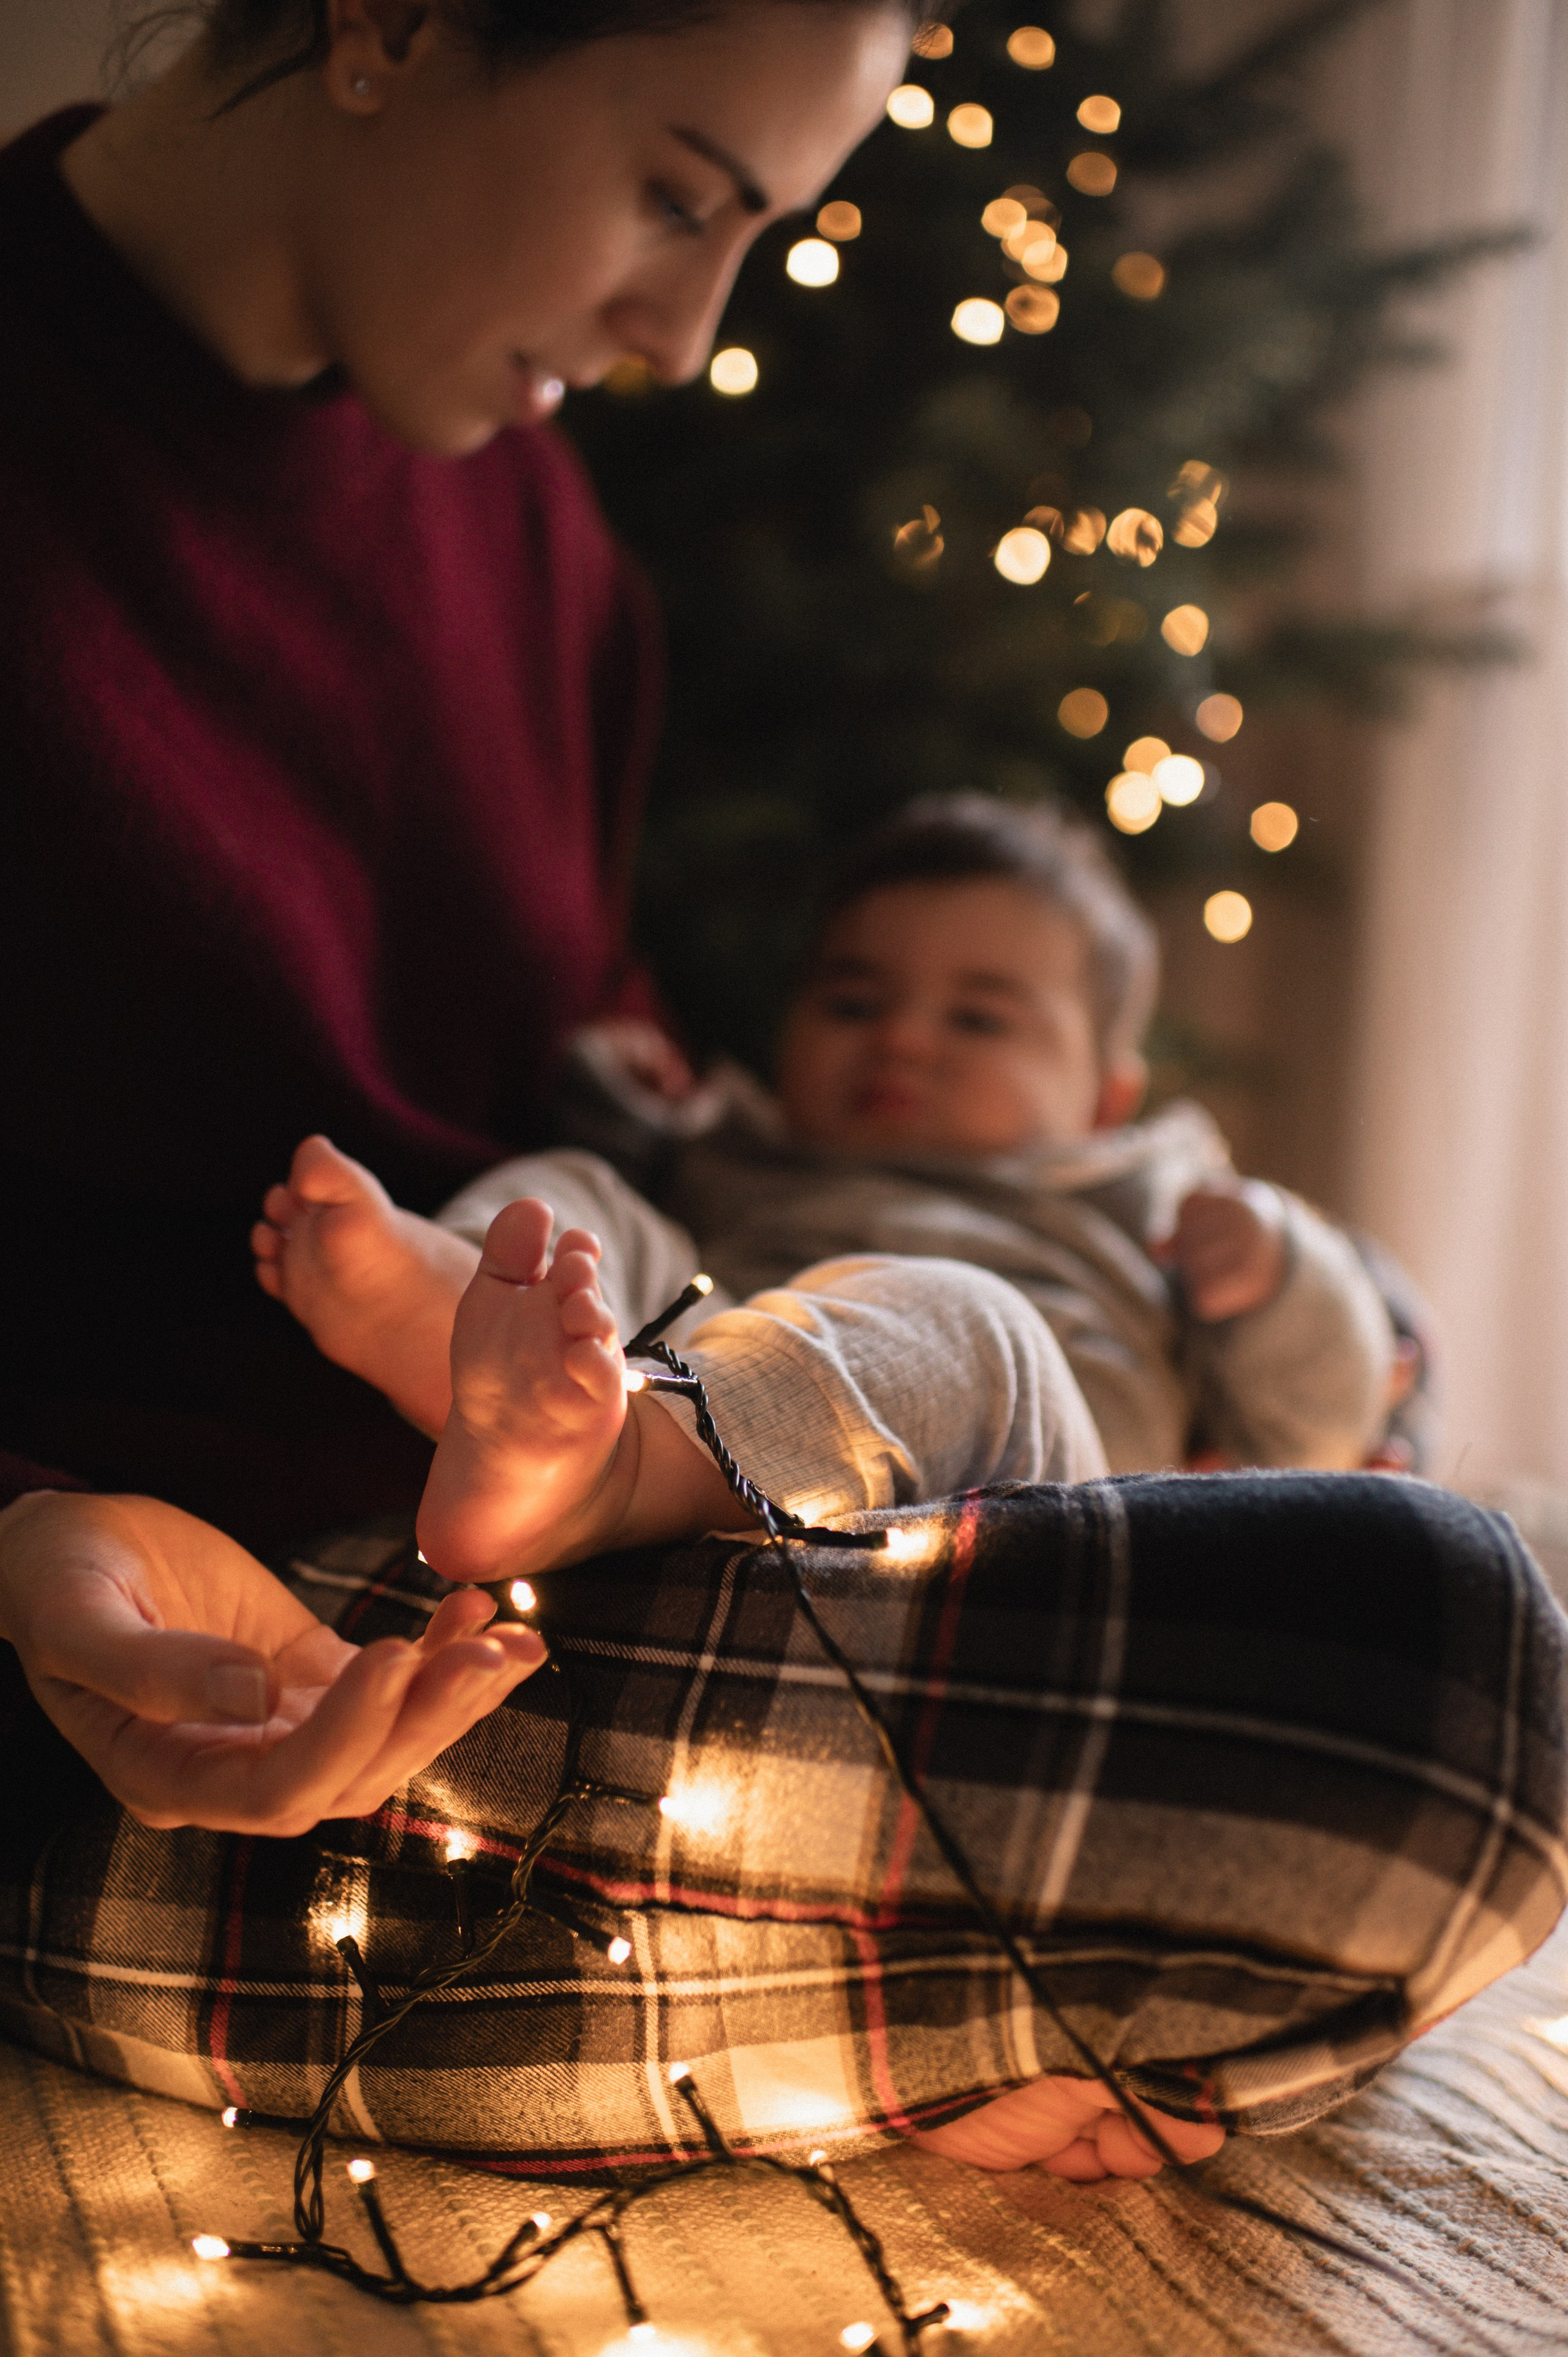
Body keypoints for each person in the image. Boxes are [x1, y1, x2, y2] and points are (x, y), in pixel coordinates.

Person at [0, 0, 910, 1552]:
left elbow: (613, 1093)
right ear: (391, 24)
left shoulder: (547, 555)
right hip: (193, 1623)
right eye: (677, 198)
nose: (683, 341)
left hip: (576, 1531)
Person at [250, 796, 1398, 1510]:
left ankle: (600, 1472)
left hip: (1003, 1482)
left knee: (951, 1320)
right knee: (595, 1206)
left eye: (980, 1019)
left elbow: (1322, 1432)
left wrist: (1285, 1271)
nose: (899, 1037)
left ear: (1106, 1098)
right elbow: (610, 1154)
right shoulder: (745, 1150)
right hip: (708, 1387)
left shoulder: (1147, 1207)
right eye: (853, 999)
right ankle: (451, 1303)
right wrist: (617, 1096)